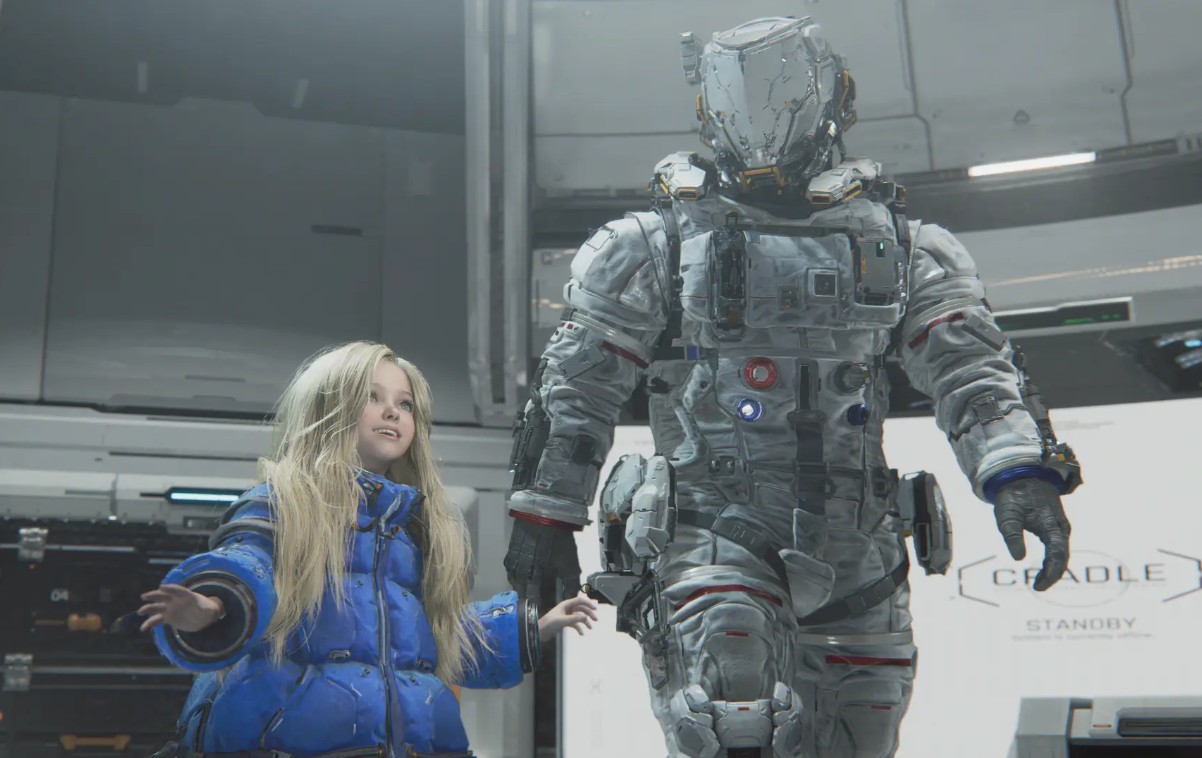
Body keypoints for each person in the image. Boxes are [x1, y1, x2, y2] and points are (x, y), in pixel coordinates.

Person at [503, 16, 1078, 758]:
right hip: (712, 529)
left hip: (860, 546)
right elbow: (578, 385)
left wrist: (1018, 471)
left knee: (856, 735)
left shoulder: (904, 248)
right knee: (729, 712)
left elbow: (970, 366)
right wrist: (545, 515)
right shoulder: (654, 245)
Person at [140, 341, 597, 757]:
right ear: (328, 406)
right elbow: (247, 560)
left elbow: (437, 635)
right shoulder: (284, 503)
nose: (392, 412)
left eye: (405, 404)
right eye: (371, 397)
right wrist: (215, 603)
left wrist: (532, 627)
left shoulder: (415, 528)